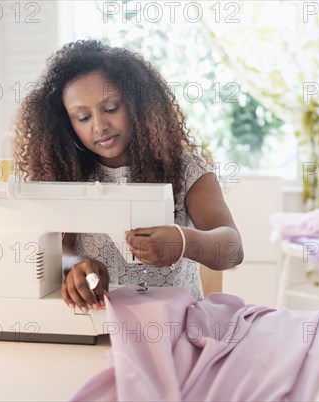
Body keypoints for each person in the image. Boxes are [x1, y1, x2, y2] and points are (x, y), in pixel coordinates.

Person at [13, 39, 244, 313]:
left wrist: (184, 241)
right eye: (83, 117)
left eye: (111, 108)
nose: (100, 126)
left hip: (177, 328)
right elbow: (57, 248)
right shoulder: (66, 175)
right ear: (66, 124)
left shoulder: (185, 170)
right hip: (100, 327)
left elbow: (232, 250)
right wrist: (73, 266)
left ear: (138, 104)